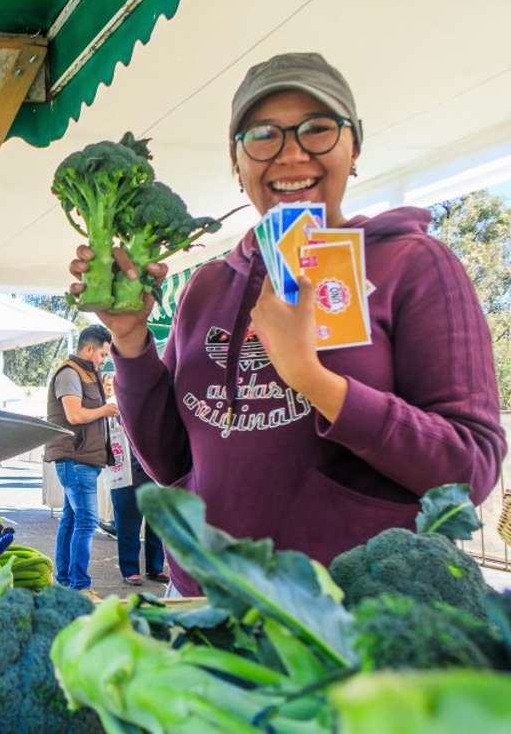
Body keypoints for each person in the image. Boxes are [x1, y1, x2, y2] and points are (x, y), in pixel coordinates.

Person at [69, 52, 506, 597]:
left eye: (318, 129)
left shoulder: (413, 266)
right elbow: (171, 462)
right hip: (206, 605)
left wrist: (314, 379)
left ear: (355, 149)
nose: (291, 152)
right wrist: (131, 341)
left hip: (355, 619)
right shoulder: (206, 286)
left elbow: (471, 470)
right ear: (237, 162)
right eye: (263, 135)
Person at [43, 325, 119, 593]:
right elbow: (75, 416)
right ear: (89, 349)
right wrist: (107, 409)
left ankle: (64, 581)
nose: (104, 359)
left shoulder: (84, 373)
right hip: (76, 460)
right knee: (87, 521)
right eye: (102, 354)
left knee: (71, 520)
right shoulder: (69, 374)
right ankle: (79, 585)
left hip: (80, 460)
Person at [110, 454, 167, 586]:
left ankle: (155, 568)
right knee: (127, 525)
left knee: (157, 525)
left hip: (156, 474)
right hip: (125, 473)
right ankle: (130, 570)